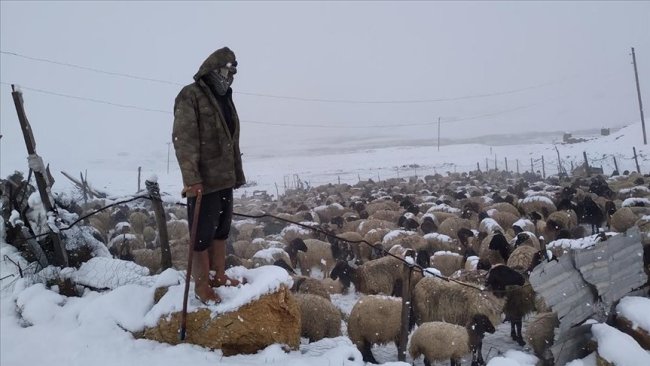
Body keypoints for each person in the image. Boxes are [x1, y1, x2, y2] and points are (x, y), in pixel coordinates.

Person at [172, 47, 245, 303]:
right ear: (213, 69)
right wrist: (192, 179)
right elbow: (185, 140)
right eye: (226, 69)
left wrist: (235, 172)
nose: (230, 74)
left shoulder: (224, 96)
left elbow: (229, 138)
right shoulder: (191, 95)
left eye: (232, 70)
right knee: (201, 234)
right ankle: (202, 286)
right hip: (204, 181)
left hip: (224, 178)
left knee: (221, 229)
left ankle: (219, 275)